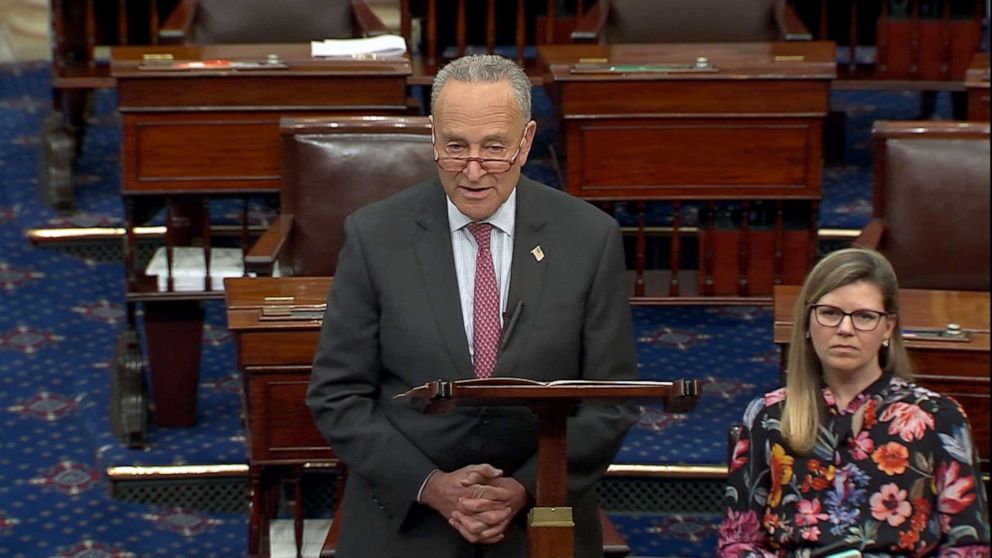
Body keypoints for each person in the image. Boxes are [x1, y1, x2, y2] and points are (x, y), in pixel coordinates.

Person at [306, 54, 640, 558]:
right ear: (433, 139)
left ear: (526, 142)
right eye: (455, 148)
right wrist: (433, 486)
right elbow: (337, 394)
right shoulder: (374, 235)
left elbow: (611, 398)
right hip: (406, 514)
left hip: (539, 514)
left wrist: (523, 487)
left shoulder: (589, 238)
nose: (473, 171)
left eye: (494, 148)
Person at [718, 247, 990, 557]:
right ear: (807, 321)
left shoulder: (937, 417)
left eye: (864, 316)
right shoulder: (768, 415)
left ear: (888, 327)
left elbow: (970, 547)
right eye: (830, 313)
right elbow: (738, 543)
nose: (845, 329)